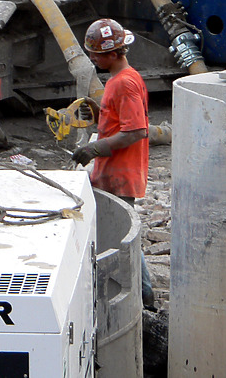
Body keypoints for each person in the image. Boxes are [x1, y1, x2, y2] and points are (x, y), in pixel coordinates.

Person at [72, 18, 155, 309]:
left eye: (96, 53)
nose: (92, 58)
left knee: (121, 237)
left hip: (121, 174)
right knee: (119, 233)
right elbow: (122, 122)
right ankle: (140, 294)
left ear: (114, 53)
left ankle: (145, 298)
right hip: (113, 172)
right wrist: (99, 113)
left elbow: (136, 131)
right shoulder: (120, 81)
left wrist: (95, 148)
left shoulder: (125, 83)